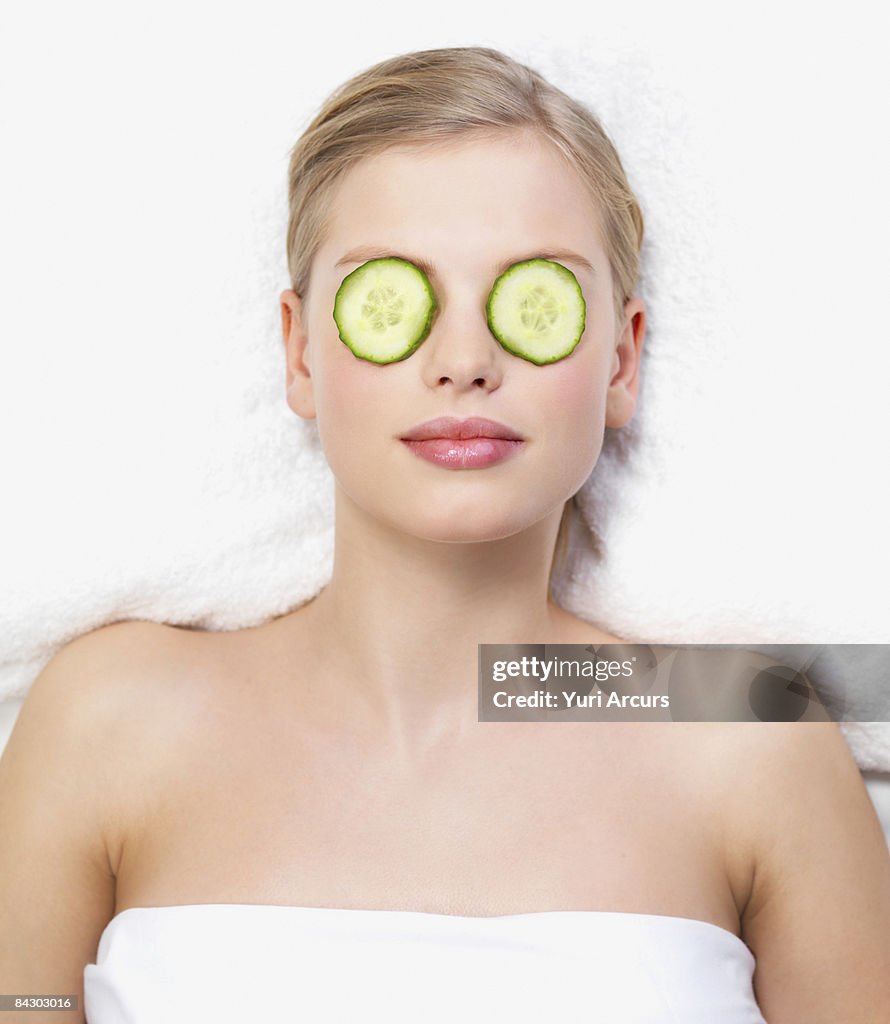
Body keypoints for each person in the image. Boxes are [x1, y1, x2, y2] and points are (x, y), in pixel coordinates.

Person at [1, 46, 888, 1024]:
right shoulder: (106, 719)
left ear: (620, 358)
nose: (463, 359)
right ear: (300, 352)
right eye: (390, 295)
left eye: (532, 302)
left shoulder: (751, 731)